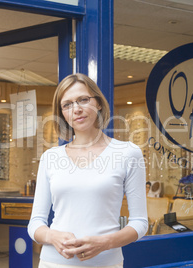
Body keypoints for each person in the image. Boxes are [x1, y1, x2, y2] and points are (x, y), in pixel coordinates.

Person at [28, 73, 148, 268]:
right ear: (62, 113)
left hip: (105, 263)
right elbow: (35, 224)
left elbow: (140, 223)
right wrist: (52, 236)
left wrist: (104, 243)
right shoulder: (51, 157)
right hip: (54, 263)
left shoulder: (128, 153)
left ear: (98, 103)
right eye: (67, 105)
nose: (76, 109)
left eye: (83, 99)